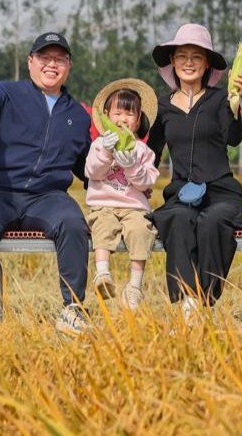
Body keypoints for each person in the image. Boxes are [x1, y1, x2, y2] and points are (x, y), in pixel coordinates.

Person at [0, 32, 93, 334]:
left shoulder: (78, 116)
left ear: (69, 65)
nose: (51, 65)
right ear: (30, 62)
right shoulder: (7, 94)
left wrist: (118, 169)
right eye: (44, 58)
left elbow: (87, 168)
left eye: (59, 59)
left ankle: (73, 310)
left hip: (47, 197)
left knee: (73, 222)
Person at [146, 23, 242, 322]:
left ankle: (202, 300)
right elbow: (150, 155)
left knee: (212, 220)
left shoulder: (219, 99)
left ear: (207, 64)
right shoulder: (162, 107)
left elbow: (233, 138)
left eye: (196, 57)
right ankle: (187, 305)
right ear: (172, 62)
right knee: (179, 219)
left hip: (221, 191)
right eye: (182, 56)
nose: (188, 62)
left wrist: (235, 102)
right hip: (181, 193)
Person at [84, 78, 161, 311]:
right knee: (103, 225)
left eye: (130, 114)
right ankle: (102, 273)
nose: (123, 119)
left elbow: (147, 181)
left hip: (134, 207)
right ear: (106, 116)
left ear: (138, 120)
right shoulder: (99, 144)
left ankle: (134, 286)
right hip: (103, 205)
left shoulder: (142, 150)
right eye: (117, 113)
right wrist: (107, 153)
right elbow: (92, 172)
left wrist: (132, 166)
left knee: (141, 230)